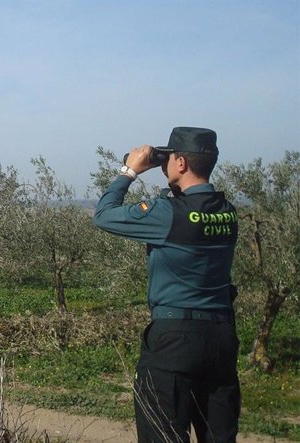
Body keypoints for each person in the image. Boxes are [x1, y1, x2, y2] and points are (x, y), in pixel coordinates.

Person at [92, 127, 240, 442]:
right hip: (222, 339)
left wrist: (129, 171)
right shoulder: (228, 213)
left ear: (182, 163)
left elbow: (104, 215)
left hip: (175, 341)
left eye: (168, 158)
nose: (165, 164)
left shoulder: (167, 214)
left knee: (162, 433)